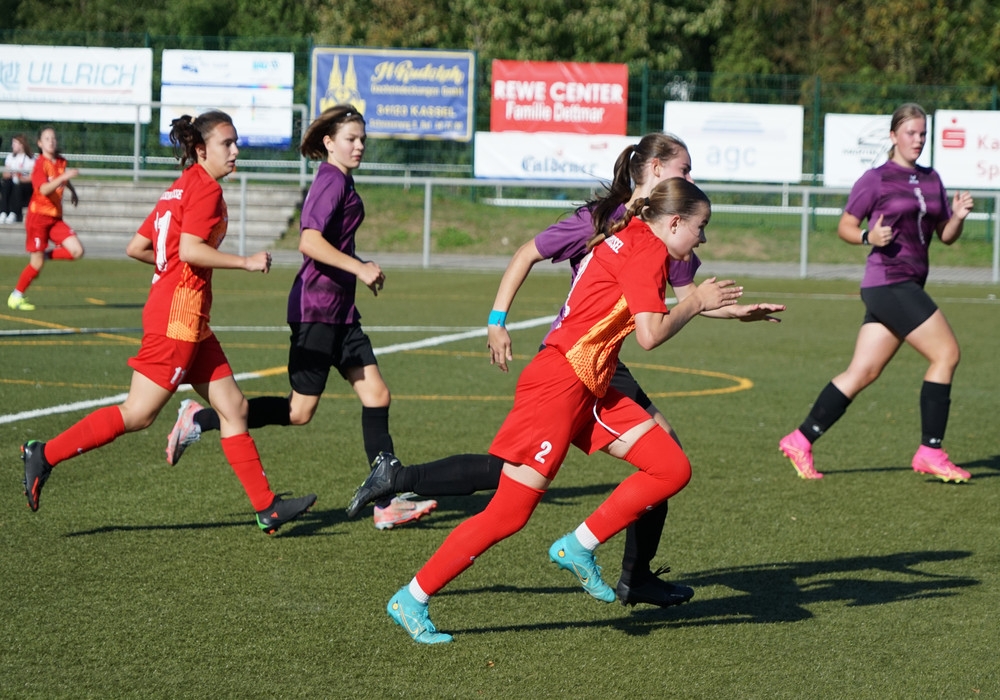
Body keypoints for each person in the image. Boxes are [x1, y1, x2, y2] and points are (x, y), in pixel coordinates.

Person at [348, 133, 785, 608]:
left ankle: (608, 561)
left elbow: (683, 298)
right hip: (565, 371)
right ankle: (412, 587)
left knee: (669, 464)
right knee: (510, 508)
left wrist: (728, 309)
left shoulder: (649, 235)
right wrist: (497, 319)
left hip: (594, 370)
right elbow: (655, 326)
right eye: (686, 171)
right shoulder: (614, 226)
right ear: (661, 178)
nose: (703, 237)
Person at [20, 110, 316, 535]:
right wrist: (245, 262)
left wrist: (171, 269)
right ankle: (43, 454)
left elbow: (138, 247)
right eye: (227, 144)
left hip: (186, 314)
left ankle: (267, 508)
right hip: (178, 318)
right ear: (201, 149)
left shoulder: (181, 186)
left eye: (236, 142)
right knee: (138, 414)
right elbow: (191, 250)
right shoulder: (205, 189)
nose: (236, 151)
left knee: (234, 408)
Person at [161, 104, 436, 531]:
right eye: (351, 139)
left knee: (376, 395)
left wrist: (360, 267)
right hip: (316, 312)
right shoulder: (330, 181)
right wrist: (360, 268)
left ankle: (386, 501)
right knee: (299, 411)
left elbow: (331, 243)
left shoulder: (342, 179)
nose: (359, 146)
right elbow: (309, 241)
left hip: (340, 312)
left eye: (363, 139)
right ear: (329, 142)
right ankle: (199, 419)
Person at [779, 102, 974, 482]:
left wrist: (959, 218)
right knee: (946, 353)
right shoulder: (876, 179)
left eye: (923, 133)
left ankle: (799, 440)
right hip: (889, 282)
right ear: (893, 135)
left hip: (905, 284)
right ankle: (930, 451)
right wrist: (870, 236)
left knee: (862, 371)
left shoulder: (932, 178)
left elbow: (946, 236)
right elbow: (846, 226)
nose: (918, 139)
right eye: (911, 132)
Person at [6, 126, 82, 312]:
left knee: (76, 251)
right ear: (40, 143)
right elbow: (44, 189)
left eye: (53, 138)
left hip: (55, 217)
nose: (51, 141)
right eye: (47, 138)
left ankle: (45, 255)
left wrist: (72, 191)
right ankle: (16, 296)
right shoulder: (39, 164)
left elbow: (62, 178)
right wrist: (64, 177)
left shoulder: (61, 161)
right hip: (38, 217)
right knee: (36, 263)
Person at [1, 133, 35, 224]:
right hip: (11, 183)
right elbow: (5, 174)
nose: (12, 146)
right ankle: (3, 212)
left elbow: (32, 177)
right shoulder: (10, 157)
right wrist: (11, 175)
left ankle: (14, 213)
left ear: (21, 145)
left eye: (14, 143)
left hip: (24, 186)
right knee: (6, 184)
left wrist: (20, 179)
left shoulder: (30, 159)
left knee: (17, 185)